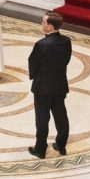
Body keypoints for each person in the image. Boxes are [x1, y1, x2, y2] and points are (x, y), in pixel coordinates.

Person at [27, 12, 72, 160]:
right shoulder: (66, 41)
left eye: (43, 22)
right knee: (61, 117)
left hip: (42, 87)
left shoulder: (42, 44)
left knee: (42, 119)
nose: (41, 24)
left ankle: (40, 149)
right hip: (59, 85)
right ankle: (61, 145)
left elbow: (33, 62)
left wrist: (34, 76)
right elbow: (66, 60)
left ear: (50, 26)